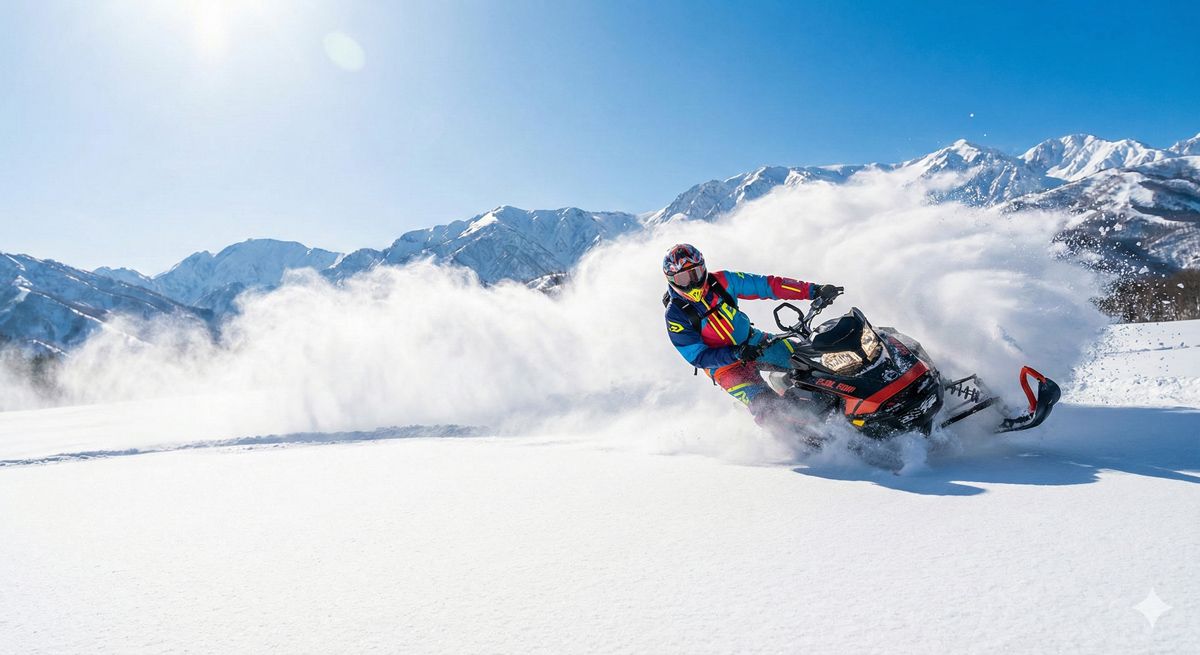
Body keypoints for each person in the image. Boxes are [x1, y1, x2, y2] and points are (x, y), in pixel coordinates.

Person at [661, 243, 843, 427]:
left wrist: (813, 291)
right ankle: (803, 445)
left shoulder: (722, 281)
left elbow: (767, 285)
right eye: (684, 278)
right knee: (769, 409)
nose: (692, 282)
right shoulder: (675, 315)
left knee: (816, 361)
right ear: (671, 279)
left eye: (696, 273)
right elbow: (697, 356)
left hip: (755, 343)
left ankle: (848, 404)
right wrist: (736, 353)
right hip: (726, 368)